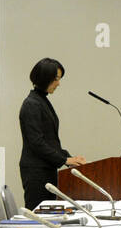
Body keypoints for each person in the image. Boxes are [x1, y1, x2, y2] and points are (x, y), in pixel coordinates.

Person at [19, 58, 86, 209]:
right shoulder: (32, 104)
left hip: (46, 169)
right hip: (36, 172)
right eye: (56, 79)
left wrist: (69, 157)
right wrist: (65, 160)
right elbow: (37, 143)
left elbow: (50, 141)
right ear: (45, 78)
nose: (58, 83)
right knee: (39, 216)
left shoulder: (41, 100)